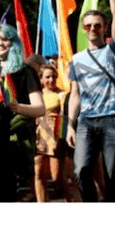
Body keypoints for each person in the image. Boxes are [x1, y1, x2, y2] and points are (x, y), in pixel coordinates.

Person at [64, 0, 115, 202]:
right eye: (89, 26)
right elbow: (75, 94)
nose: (93, 29)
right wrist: (70, 125)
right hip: (86, 122)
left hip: (112, 118)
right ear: (83, 29)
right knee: (80, 170)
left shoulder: (113, 50)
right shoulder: (76, 59)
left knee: (113, 173)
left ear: (105, 28)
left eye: (98, 26)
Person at [33, 64, 75, 202]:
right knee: (38, 174)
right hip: (38, 136)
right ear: (41, 78)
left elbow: (64, 116)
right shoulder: (36, 95)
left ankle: (72, 201)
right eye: (47, 77)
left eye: (53, 76)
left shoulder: (61, 94)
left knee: (57, 177)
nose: (51, 80)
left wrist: (63, 138)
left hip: (55, 137)